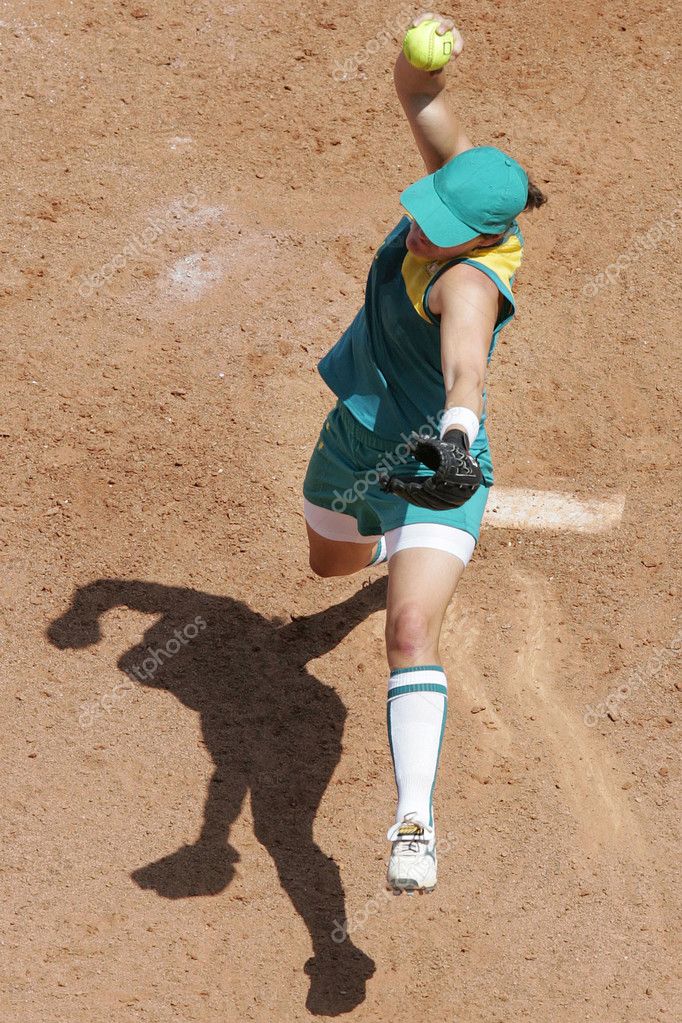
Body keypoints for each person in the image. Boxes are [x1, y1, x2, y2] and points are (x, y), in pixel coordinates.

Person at [302, 12, 546, 893]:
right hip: (355, 443)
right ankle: (384, 554)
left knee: (410, 631)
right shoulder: (467, 190)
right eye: (424, 211)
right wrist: (415, 59)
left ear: (480, 239)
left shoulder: (470, 283)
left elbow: (466, 376)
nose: (418, 229)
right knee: (331, 567)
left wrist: (452, 446)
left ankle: (414, 821)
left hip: (439, 468)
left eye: (437, 227)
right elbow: (420, 94)